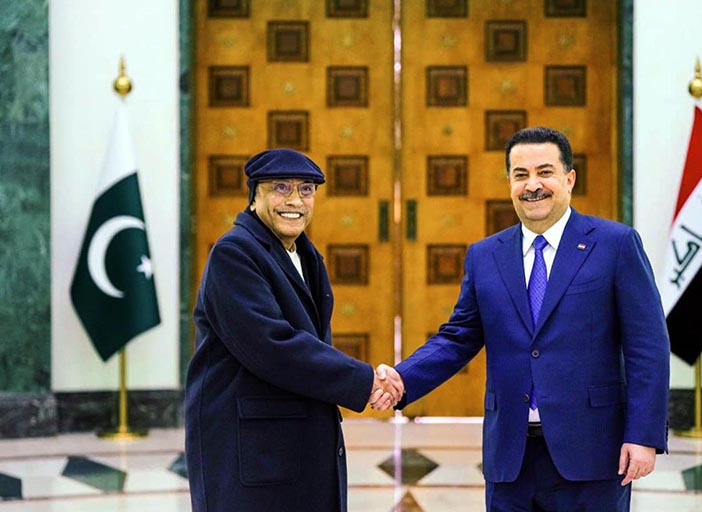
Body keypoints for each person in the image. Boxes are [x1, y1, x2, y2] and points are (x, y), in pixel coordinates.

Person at [389, 127, 670, 511]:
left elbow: (647, 346)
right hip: (511, 457)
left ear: (569, 179)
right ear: (509, 183)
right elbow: (458, 337)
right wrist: (402, 379)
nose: (532, 185)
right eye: (520, 175)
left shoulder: (615, 244)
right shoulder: (485, 255)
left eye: (545, 172)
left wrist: (643, 435)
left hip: (592, 452)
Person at [184, 148, 402, 512]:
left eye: (306, 190)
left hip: (292, 446)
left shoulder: (304, 254)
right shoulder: (234, 253)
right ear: (254, 196)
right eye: (281, 188)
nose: (295, 201)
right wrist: (364, 381)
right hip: (251, 451)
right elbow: (273, 346)